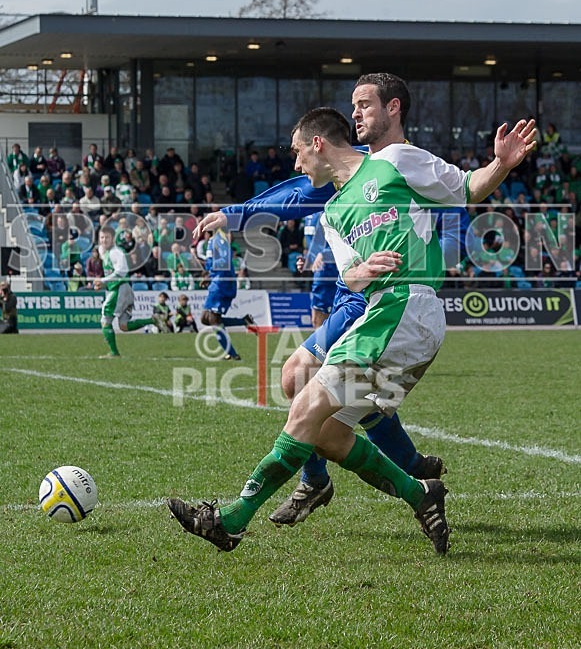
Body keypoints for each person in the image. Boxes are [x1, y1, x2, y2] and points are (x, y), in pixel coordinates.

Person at [169, 82, 536, 556]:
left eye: (299, 153)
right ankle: (418, 489)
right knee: (325, 431)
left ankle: (234, 519)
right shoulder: (333, 212)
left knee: (303, 403)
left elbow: (465, 188)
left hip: (408, 305)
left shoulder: (397, 160)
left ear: (318, 144)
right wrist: (359, 271)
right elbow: (349, 273)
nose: (297, 164)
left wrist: (502, 164)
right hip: (382, 311)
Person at [92, 227, 155, 358]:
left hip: (121, 289)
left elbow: (122, 272)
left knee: (105, 318)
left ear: (113, 238)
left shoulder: (116, 252)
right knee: (124, 326)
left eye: (107, 237)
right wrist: (104, 284)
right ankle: (153, 320)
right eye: (102, 237)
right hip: (121, 289)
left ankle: (114, 353)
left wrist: (103, 280)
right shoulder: (107, 252)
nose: (104, 240)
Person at [200, 227, 255, 361]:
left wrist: (212, 273)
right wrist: (210, 276)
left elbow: (224, 261)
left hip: (222, 284)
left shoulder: (219, 240)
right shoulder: (214, 241)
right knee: (205, 319)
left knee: (213, 320)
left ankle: (232, 353)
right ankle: (244, 321)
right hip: (218, 282)